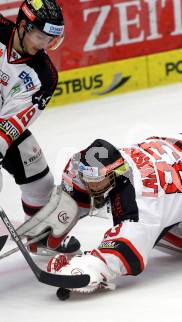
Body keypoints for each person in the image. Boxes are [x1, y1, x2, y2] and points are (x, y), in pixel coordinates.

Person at [45, 121, 182, 293]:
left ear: (115, 175)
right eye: (86, 175)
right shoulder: (113, 161)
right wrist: (49, 228)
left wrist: (88, 268)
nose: (87, 182)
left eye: (95, 179)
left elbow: (126, 250)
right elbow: (78, 179)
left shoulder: (142, 200)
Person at [0, 0, 79, 255]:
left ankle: (40, 234)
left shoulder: (44, 76)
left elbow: (12, 124)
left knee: (37, 175)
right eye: (40, 37)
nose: (44, 46)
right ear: (22, 26)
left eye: (50, 40)